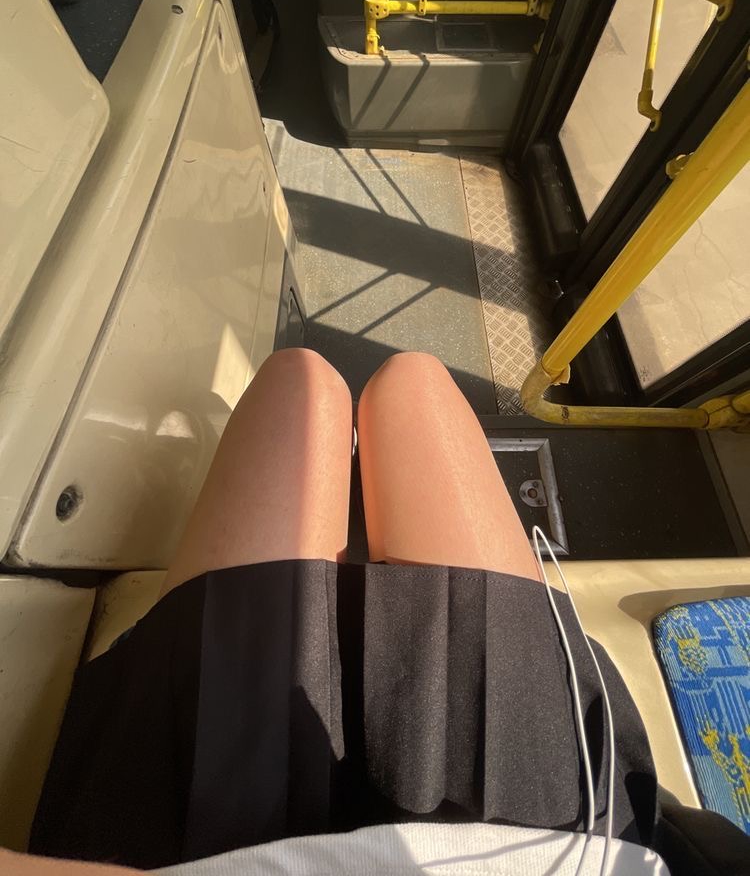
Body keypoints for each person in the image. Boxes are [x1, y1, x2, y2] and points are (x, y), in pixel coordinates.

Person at [6, 352, 748, 875]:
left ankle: (350, 535)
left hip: (189, 847)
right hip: (549, 845)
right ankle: (351, 556)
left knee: (314, 383)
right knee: (394, 385)